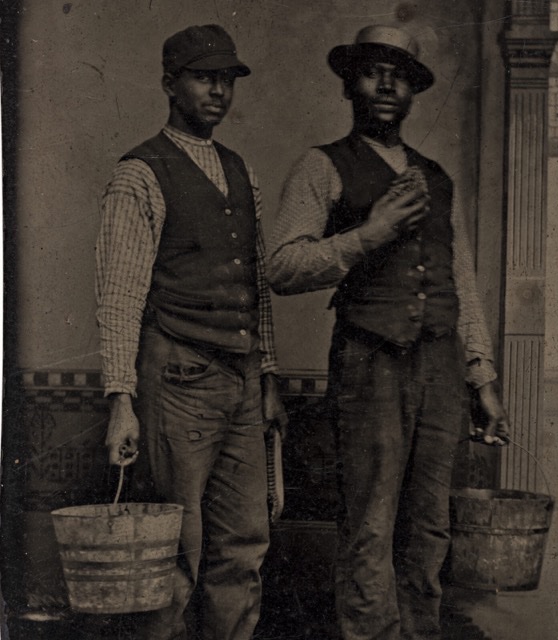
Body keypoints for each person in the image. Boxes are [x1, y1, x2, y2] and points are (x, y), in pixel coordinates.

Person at [267, 25, 509, 640]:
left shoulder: (437, 177)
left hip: (441, 367)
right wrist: (367, 235)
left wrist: (481, 375)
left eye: (398, 74)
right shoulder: (323, 166)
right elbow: (283, 268)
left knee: (428, 525)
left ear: (413, 91)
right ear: (351, 83)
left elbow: (462, 281)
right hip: (368, 361)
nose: (385, 83)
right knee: (370, 522)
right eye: (373, 71)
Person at [95, 24, 286, 640]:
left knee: (243, 546)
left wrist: (269, 377)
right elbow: (120, 297)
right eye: (205, 77)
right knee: (175, 551)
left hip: (241, 381)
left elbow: (256, 289)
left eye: (227, 79)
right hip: (175, 380)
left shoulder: (240, 171)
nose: (219, 92)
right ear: (169, 84)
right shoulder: (140, 173)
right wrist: (120, 401)